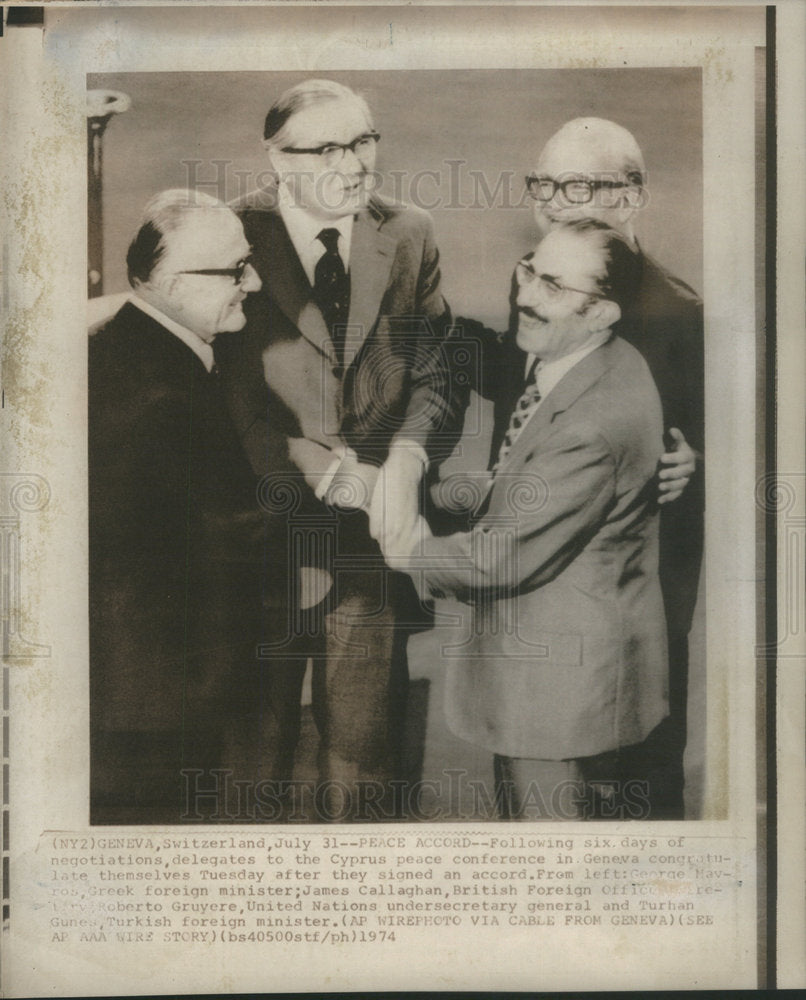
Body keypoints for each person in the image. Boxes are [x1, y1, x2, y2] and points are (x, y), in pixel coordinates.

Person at [218, 79, 455, 818]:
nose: (356, 165)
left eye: (364, 140)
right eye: (329, 147)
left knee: (362, 758)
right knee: (250, 755)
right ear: (278, 159)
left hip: (365, 550)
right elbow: (223, 390)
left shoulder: (408, 230)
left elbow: (437, 369)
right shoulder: (228, 234)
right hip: (258, 535)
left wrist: (408, 461)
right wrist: (321, 467)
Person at [386, 220, 668, 820]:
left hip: (562, 697)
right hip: (553, 684)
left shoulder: (592, 422)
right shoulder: (596, 362)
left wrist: (405, 544)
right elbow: (532, 487)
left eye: (553, 286)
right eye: (529, 270)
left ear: (601, 313)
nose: (525, 296)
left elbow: (498, 557)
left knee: (552, 871)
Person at [521, 117, 704, 818]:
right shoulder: (536, 291)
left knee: (633, 784)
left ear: (630, 198)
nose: (553, 202)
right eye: (543, 183)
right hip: (536, 592)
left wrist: (701, 459)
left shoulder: (679, 315)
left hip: (631, 610)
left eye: (576, 186)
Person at [89, 189, 270, 823]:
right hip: (155, 694)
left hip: (139, 686)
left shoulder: (127, 344)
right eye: (234, 269)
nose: (253, 281)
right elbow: (230, 531)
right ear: (168, 282)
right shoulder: (161, 388)